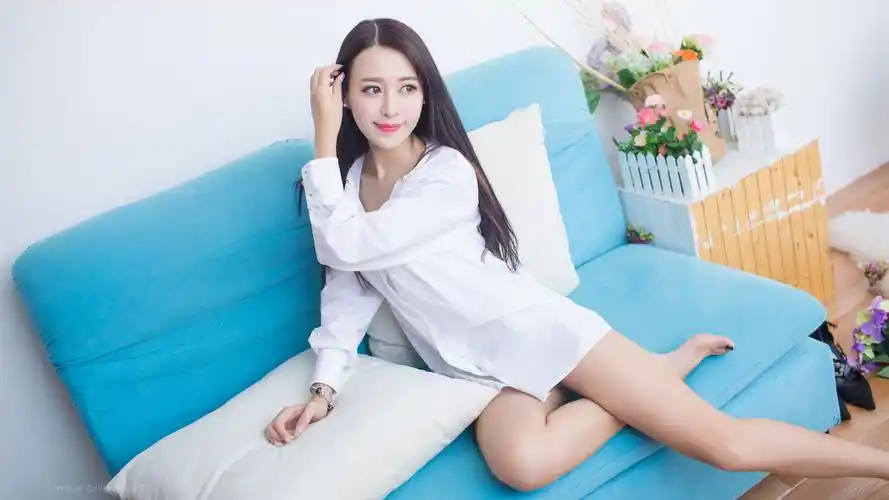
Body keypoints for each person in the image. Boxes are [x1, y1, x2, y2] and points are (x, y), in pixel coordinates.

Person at [265, 17, 889, 492]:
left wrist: (322, 135)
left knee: (724, 445)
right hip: (481, 372)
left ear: (426, 94)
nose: (391, 107)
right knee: (521, 464)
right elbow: (345, 292)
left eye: (406, 88)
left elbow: (346, 243)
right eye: (372, 90)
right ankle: (656, 375)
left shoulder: (444, 173)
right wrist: (323, 391)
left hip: (546, 334)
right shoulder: (343, 192)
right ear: (346, 95)